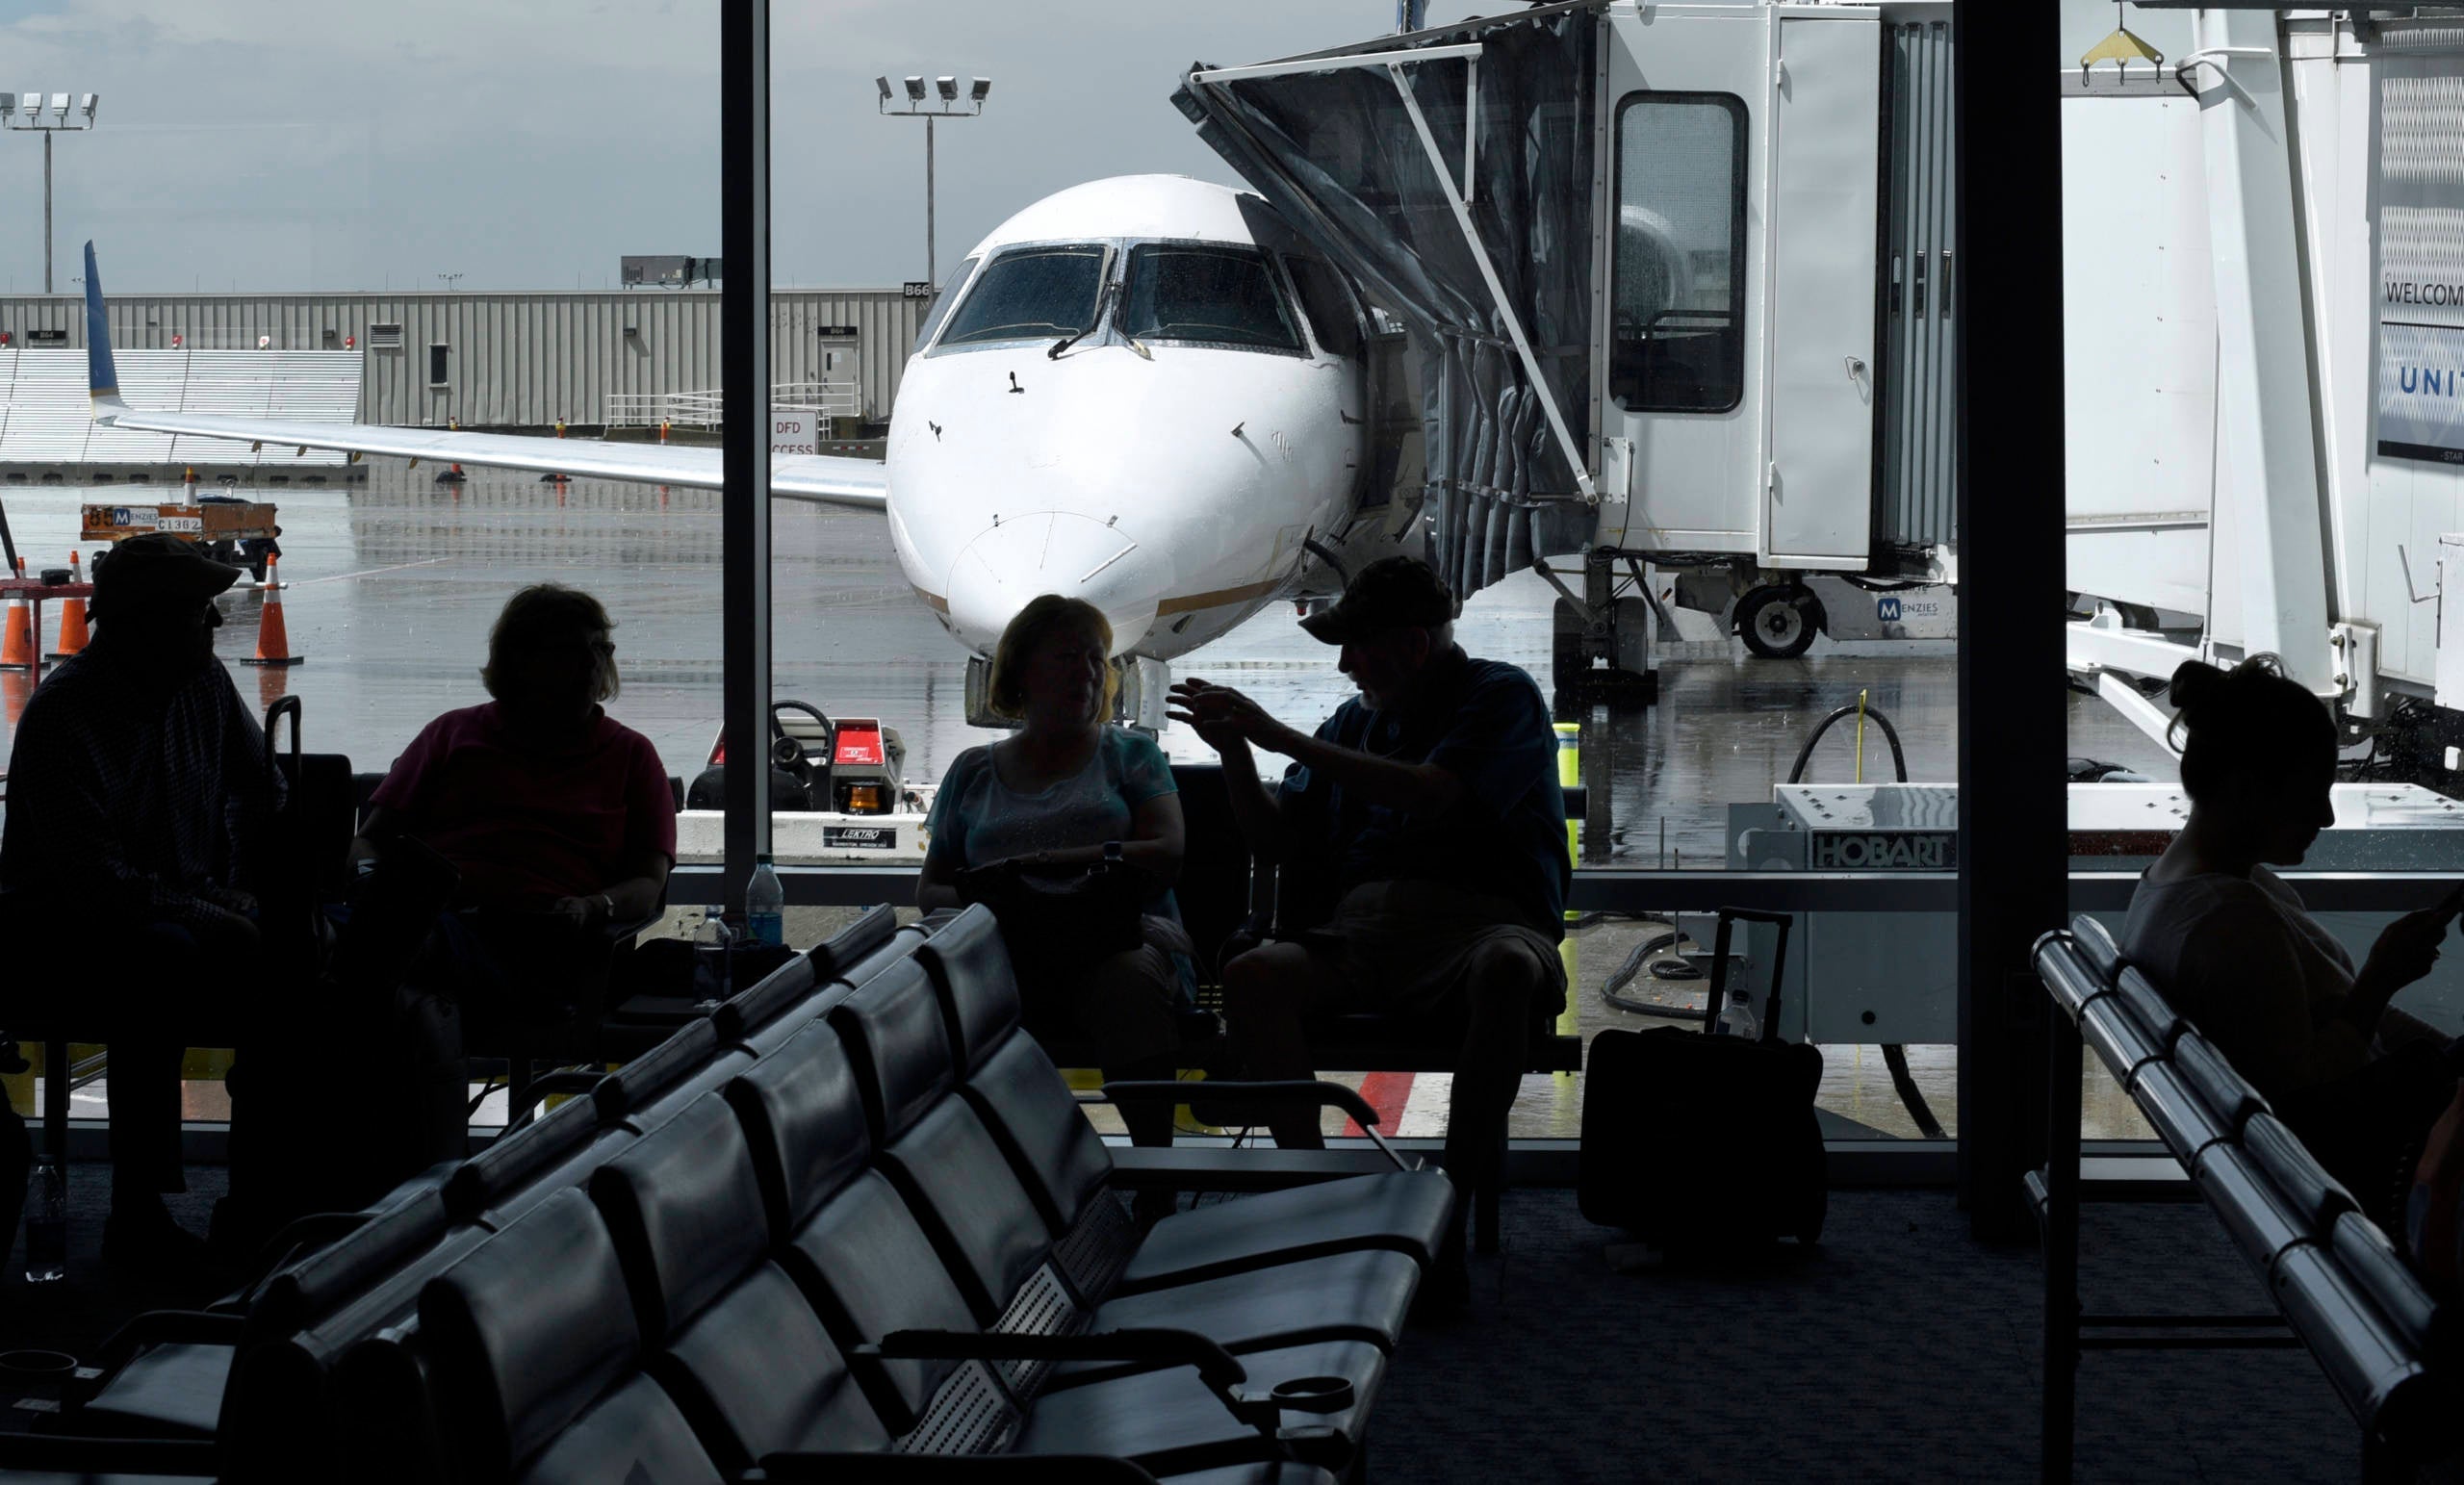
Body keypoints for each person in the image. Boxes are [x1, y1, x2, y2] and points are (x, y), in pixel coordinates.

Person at [1168, 556, 1568, 1278]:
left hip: (1480, 927)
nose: (1347, 664)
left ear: (1414, 647)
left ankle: (1453, 1196)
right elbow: (1276, 842)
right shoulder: (1354, 724)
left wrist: (1278, 735)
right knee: (1253, 974)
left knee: (1509, 967)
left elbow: (1433, 793)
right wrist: (1233, 754)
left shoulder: (1500, 697)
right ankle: (1315, 1197)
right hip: (1362, 937)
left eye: (1358, 646)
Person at [0, 533, 280, 1267]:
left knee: (301, 952)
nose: (216, 627)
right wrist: (223, 912)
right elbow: (95, 885)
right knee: (158, 956)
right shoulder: (68, 715)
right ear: (144, 622)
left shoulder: (205, 686)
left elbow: (265, 793)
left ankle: (266, 1190)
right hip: (62, 929)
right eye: (199, 612)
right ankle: (136, 1210)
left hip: (179, 905)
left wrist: (269, 889)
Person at [2122, 656, 2457, 1210]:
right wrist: (2379, 980)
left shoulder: (2192, 887)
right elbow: (2305, 1101)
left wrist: (2449, 1054)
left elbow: (2324, 1022)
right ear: (2248, 791)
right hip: (2367, 1170)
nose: (2325, 818)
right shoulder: (2230, 921)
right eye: (2311, 795)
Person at [917, 594, 1188, 1149]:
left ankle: (1156, 1168)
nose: (1087, 673)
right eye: (1068, 657)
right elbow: (930, 890)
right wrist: (1001, 899)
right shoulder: (972, 772)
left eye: (1095, 659)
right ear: (1022, 672)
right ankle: (986, 1161)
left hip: (1114, 940)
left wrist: (1046, 866)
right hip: (1011, 947)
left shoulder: (1132, 755)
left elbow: (1168, 853)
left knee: (1126, 981)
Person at [351, 585, 676, 1007]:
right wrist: (370, 882)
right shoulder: (451, 735)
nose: (593, 663)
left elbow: (650, 881)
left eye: (600, 648)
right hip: (431, 919)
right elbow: (371, 840)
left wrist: (594, 908)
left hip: (533, 944)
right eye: (572, 650)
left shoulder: (631, 756)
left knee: (356, 954)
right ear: (522, 660)